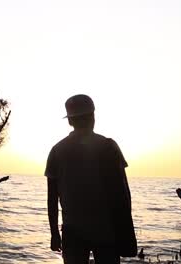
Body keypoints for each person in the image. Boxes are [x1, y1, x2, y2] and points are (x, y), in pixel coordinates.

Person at [45, 94, 137, 264]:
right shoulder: (109, 146)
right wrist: (127, 234)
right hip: (106, 228)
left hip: (72, 230)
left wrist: (54, 234)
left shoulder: (57, 150)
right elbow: (123, 193)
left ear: (70, 121)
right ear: (93, 117)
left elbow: (52, 198)